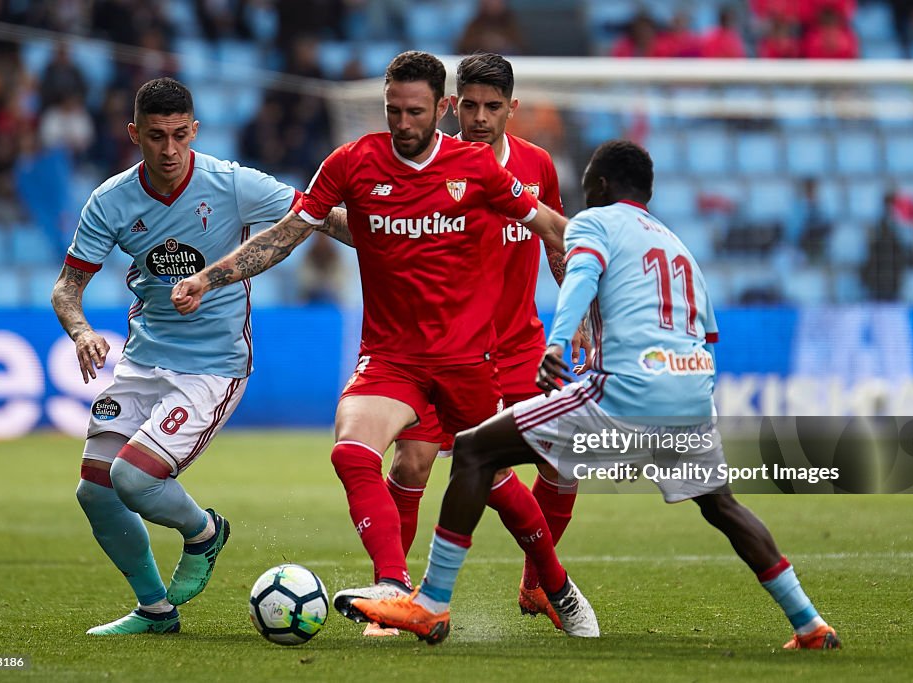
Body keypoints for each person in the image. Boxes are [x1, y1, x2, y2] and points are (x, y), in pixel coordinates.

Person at [350, 140, 839, 650]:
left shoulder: (595, 222)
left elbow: (580, 277)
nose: (580, 189)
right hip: (691, 396)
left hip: (625, 392)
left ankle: (428, 604)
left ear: (601, 184)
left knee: (474, 448)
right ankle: (809, 623)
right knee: (721, 506)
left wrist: (557, 343)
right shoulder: (678, 246)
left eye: (585, 178)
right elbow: (707, 334)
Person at [170, 51, 595, 637]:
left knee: (497, 484)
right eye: (393, 110)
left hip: (468, 359)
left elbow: (551, 227)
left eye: (414, 112)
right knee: (353, 451)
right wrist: (208, 276)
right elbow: (292, 232)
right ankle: (394, 588)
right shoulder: (351, 162)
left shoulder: (476, 168)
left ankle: (553, 582)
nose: (402, 123)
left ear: (438, 108)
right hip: (392, 357)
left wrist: (615, 276)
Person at [51, 77, 321, 635]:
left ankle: (204, 532)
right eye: (156, 137)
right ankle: (155, 610)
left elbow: (313, 216)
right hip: (143, 359)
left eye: (179, 135)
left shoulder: (232, 183)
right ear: (134, 134)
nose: (169, 150)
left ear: (194, 129)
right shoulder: (111, 199)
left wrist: (389, 237)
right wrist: (80, 332)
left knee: (131, 478)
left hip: (212, 367)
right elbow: (66, 288)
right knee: (94, 491)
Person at [387, 52, 584, 636]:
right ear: (450, 105)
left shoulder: (537, 165)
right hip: (443, 347)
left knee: (564, 457)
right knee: (413, 460)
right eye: (468, 105)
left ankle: (535, 585)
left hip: (520, 346)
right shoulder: (430, 165)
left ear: (511, 109)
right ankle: (393, 591)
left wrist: (579, 316)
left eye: (492, 107)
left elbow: (555, 243)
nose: (478, 118)